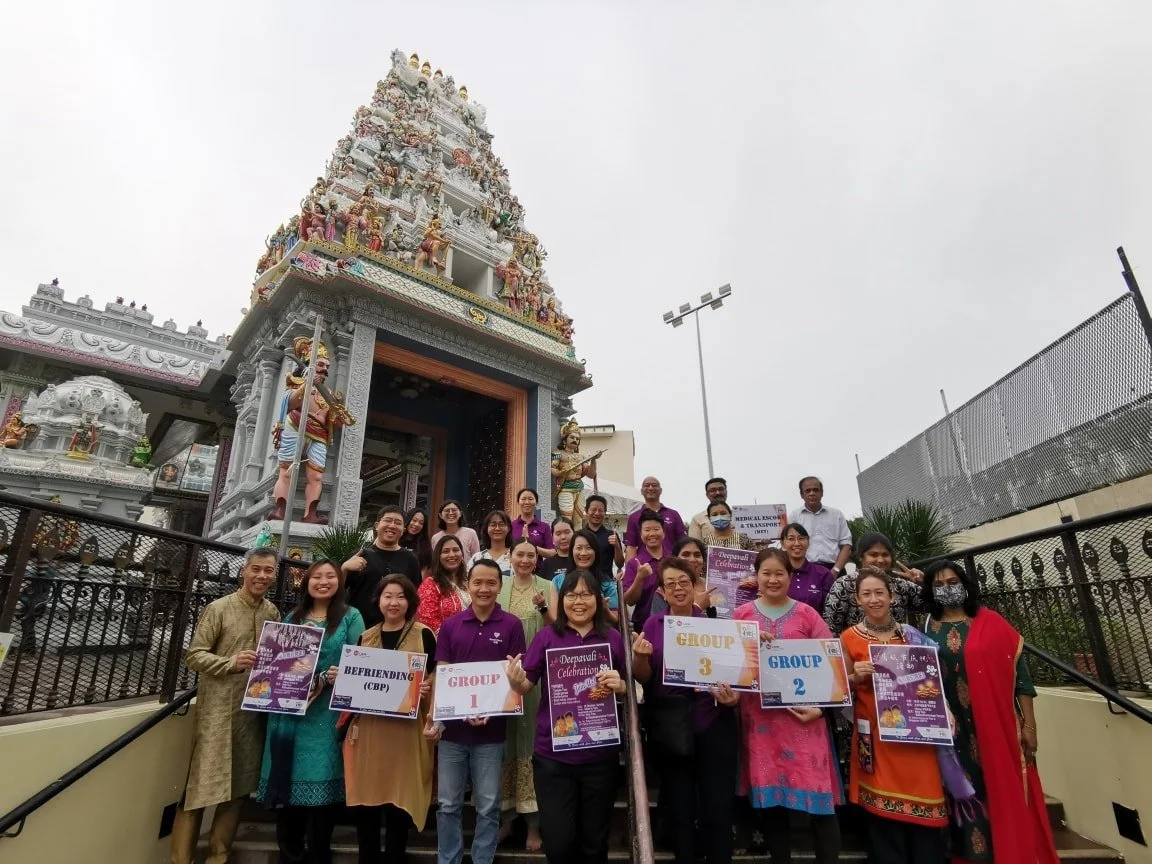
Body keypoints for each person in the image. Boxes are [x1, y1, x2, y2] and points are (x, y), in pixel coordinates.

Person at [921, 560, 1059, 864]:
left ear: (965, 584)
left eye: (952, 582)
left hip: (994, 726)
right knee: (965, 798)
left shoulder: (991, 622)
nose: (947, 589)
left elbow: (1021, 677)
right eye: (939, 585)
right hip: (953, 732)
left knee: (999, 792)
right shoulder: (928, 627)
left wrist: (1029, 726)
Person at [505, 569, 628, 864]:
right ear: (562, 601)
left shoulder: (611, 637)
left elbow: (626, 687)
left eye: (586, 594)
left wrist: (621, 686)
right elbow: (526, 683)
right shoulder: (548, 636)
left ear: (598, 600)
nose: (579, 601)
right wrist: (514, 681)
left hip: (600, 758)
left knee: (594, 844)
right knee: (559, 845)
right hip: (553, 759)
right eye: (572, 594)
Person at [170, 548, 281, 864]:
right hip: (217, 710)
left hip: (252, 712)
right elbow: (194, 654)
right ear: (244, 571)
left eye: (268, 570)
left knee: (239, 789)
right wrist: (229, 663)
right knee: (200, 788)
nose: (261, 576)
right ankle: (181, 859)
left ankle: (219, 856)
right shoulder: (219, 608)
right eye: (256, 569)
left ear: (275, 575)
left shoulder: (272, 613)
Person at [732, 549, 842, 864]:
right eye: (766, 573)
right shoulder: (742, 617)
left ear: (790, 577)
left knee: (821, 806)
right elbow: (731, 667)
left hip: (805, 721)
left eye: (779, 573)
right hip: (761, 723)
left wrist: (821, 709)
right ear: (756, 577)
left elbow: (833, 668)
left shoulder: (808, 614)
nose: (773, 579)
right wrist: (751, 646)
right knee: (773, 806)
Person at [632, 558, 740, 864]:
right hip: (671, 727)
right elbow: (644, 676)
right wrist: (639, 658)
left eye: (684, 582)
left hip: (714, 723)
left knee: (717, 807)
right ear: (663, 592)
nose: (678, 589)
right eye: (670, 584)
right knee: (680, 809)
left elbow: (735, 676)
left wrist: (734, 699)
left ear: (695, 587)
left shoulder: (716, 625)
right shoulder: (653, 625)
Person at [258, 559, 366, 863]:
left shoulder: (350, 617)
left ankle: (319, 854)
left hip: (327, 715)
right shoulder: (293, 617)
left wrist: (340, 673)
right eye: (316, 576)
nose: (323, 581)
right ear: (306, 582)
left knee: (322, 791)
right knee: (288, 786)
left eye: (330, 576)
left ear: (339, 583)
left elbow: (362, 661)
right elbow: (274, 664)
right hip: (291, 714)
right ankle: (289, 853)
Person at [842, 567, 948, 863]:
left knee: (926, 814)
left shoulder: (912, 635)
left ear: (892, 596)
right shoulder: (849, 637)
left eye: (879, 593)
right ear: (857, 600)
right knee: (883, 825)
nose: (874, 599)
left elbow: (933, 681)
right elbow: (839, 690)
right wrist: (853, 677)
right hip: (875, 736)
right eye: (866, 594)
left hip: (917, 736)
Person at [427, 559, 527, 864]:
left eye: (491, 583)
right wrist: (435, 717)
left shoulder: (512, 625)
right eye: (478, 582)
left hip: (492, 733)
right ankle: (449, 859)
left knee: (488, 805)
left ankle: (483, 859)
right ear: (468, 585)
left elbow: (514, 675)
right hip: (453, 733)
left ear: (500, 586)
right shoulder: (451, 625)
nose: (484, 589)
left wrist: (490, 711)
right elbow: (442, 672)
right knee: (447, 804)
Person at [343, 573, 438, 864]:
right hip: (370, 732)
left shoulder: (424, 635)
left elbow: (436, 674)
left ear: (410, 601)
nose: (393, 602)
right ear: (379, 601)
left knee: (400, 802)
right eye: (388, 596)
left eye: (400, 596)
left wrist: (427, 687)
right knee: (366, 801)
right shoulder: (365, 637)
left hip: (405, 733)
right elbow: (356, 683)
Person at [496, 539, 554, 851]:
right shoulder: (498, 582)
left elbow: (555, 627)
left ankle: (534, 823)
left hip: (536, 677)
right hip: (500, 676)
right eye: (520, 554)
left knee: (532, 742)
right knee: (505, 744)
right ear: (511, 556)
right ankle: (506, 818)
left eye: (531, 555)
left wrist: (543, 606)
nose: (525, 559)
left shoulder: (547, 585)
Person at [823, 532, 924, 634]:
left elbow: (936, 605)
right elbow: (830, 629)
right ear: (861, 557)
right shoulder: (844, 585)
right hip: (854, 647)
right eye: (873, 554)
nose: (880, 560)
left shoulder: (901, 586)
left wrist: (922, 583)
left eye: (885, 555)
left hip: (895, 648)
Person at [343, 505, 422, 627]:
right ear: (376, 526)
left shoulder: (411, 559)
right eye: (387, 520)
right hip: (358, 627)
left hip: (395, 628)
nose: (392, 525)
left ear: (403, 529)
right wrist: (344, 568)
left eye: (398, 523)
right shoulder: (360, 555)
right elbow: (337, 591)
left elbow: (415, 597)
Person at [788, 477, 852, 576]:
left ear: (822, 493)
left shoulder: (836, 515)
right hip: (805, 571)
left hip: (835, 569)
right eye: (807, 491)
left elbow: (846, 545)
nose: (812, 493)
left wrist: (835, 570)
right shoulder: (794, 516)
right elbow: (789, 545)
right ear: (802, 495)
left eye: (815, 490)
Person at [621, 509, 667, 630]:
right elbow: (630, 601)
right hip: (644, 625)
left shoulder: (674, 560)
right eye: (647, 530)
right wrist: (639, 578)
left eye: (656, 529)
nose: (652, 534)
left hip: (673, 623)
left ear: (664, 532)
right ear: (641, 535)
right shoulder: (634, 564)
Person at [417, 535, 471, 635]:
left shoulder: (471, 581)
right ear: (438, 557)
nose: (452, 555)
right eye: (446, 551)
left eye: (456, 550)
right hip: (445, 643)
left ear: (462, 554)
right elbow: (427, 619)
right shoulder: (430, 585)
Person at [779, 523, 837, 614]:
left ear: (808, 542)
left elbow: (831, 610)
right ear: (782, 544)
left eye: (801, 538)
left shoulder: (823, 573)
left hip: (815, 627)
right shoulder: (777, 574)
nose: (797, 543)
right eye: (791, 539)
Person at [624, 477, 686, 559]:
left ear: (660, 490)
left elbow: (683, 543)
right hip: (644, 566)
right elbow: (631, 546)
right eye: (647, 485)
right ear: (641, 491)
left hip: (671, 565)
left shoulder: (673, 514)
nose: (650, 488)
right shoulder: (634, 517)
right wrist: (629, 570)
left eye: (654, 485)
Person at [584, 494, 624, 580]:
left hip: (606, 584)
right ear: (586, 510)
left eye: (601, 510)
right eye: (593, 510)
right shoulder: (580, 535)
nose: (597, 513)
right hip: (584, 582)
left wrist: (617, 546)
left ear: (605, 512)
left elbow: (620, 564)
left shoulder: (612, 534)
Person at [511, 487, 556, 559]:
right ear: (518, 502)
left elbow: (552, 553)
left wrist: (531, 544)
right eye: (523, 499)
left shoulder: (544, 527)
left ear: (536, 503)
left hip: (538, 569)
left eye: (530, 499)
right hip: (514, 568)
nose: (527, 502)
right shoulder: (511, 526)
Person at [469, 509, 513, 577]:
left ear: (509, 528)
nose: (497, 528)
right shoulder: (477, 558)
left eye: (501, 524)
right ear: (486, 529)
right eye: (493, 525)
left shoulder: (515, 557)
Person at [539, 517, 575, 581]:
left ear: (574, 533)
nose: (563, 537)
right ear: (552, 536)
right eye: (558, 534)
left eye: (567, 532)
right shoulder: (546, 564)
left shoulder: (581, 559)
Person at [401, 507, 433, 575]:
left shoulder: (424, 546)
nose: (416, 524)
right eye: (414, 520)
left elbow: (423, 571)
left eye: (421, 523)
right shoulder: (396, 539)